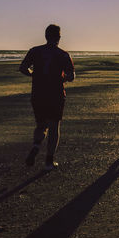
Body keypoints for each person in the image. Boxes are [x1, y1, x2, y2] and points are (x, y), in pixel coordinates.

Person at [20, 24, 75, 171]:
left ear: (45, 36)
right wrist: (63, 78)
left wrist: (34, 74)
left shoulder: (35, 51)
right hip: (55, 94)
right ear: (59, 37)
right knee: (54, 126)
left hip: (38, 93)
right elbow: (71, 76)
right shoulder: (63, 54)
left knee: (40, 124)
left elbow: (23, 68)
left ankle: (36, 146)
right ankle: (49, 161)